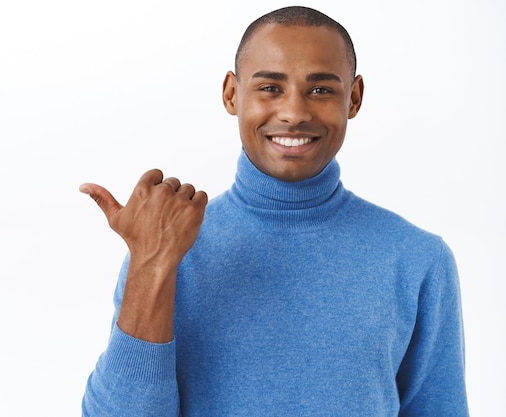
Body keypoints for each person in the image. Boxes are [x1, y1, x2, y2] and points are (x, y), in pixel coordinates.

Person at [79, 6, 469, 416]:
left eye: (320, 90)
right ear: (232, 94)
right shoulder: (169, 248)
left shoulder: (417, 260)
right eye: (270, 87)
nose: (295, 113)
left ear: (353, 98)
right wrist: (151, 266)